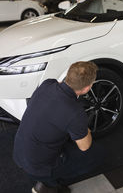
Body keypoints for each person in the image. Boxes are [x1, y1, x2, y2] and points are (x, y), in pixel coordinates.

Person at [13, 61, 101, 193]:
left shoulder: (47, 84)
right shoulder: (75, 112)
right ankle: (47, 185)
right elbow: (85, 146)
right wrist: (85, 129)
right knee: (96, 153)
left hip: (19, 153)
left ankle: (46, 180)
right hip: (39, 167)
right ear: (87, 88)